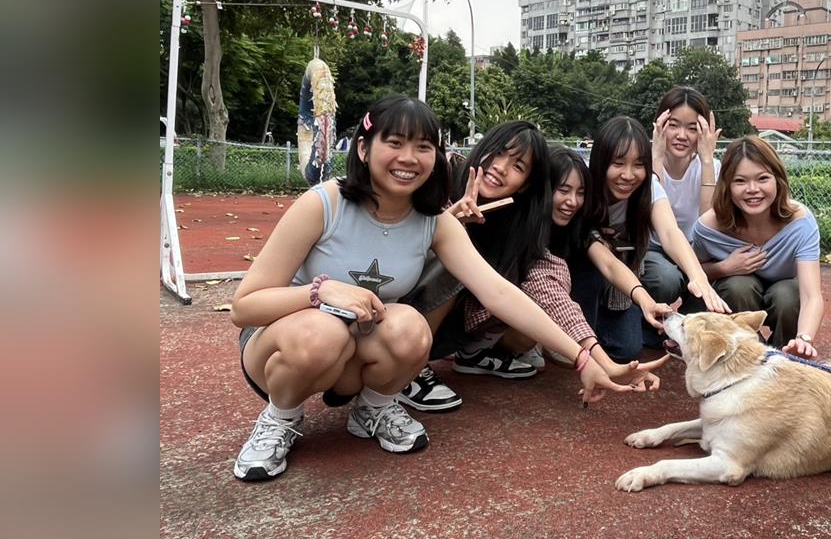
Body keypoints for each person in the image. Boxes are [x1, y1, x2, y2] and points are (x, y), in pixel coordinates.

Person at [230, 96, 631, 481]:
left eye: (423, 146)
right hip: (282, 345)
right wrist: (319, 293)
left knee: (409, 327)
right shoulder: (324, 203)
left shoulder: (434, 222)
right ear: (365, 149)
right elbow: (244, 308)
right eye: (395, 142)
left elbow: (500, 294)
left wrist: (582, 359)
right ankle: (280, 419)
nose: (409, 158)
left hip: (358, 344)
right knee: (322, 331)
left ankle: (372, 409)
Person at [398, 123, 665, 410]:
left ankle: (470, 355)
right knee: (454, 251)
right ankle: (407, 370)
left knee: (527, 309)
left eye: (518, 166)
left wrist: (595, 359)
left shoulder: (522, 227)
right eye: (499, 153)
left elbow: (557, 290)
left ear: (526, 184)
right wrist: (447, 224)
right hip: (393, 310)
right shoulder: (443, 177)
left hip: (450, 327)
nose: (501, 167)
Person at [574, 116, 729, 361]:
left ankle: (615, 322)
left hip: (623, 275)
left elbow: (670, 232)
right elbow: (605, 261)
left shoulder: (649, 188)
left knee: (626, 349)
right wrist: (644, 299)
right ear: (601, 161)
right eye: (618, 163)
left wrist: (698, 278)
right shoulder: (583, 186)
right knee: (575, 347)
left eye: (638, 164)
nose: (628, 175)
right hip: (582, 270)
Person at [692, 136, 823, 358]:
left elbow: (812, 295)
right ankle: (747, 355)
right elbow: (693, 272)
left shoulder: (800, 222)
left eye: (762, 178)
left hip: (783, 292)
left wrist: (804, 338)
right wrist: (725, 268)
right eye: (740, 181)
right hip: (739, 294)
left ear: (777, 179)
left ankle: (789, 356)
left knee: (788, 295)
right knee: (736, 286)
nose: (753, 189)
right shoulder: (709, 226)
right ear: (727, 186)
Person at [642, 87, 722, 315]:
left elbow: (706, 224)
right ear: (660, 126)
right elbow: (657, 223)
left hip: (695, 248)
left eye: (692, 128)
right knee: (665, 278)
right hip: (654, 248)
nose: (681, 135)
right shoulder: (642, 163)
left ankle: (690, 324)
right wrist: (656, 157)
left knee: (716, 280)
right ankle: (651, 324)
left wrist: (707, 160)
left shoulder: (711, 168)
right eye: (673, 125)